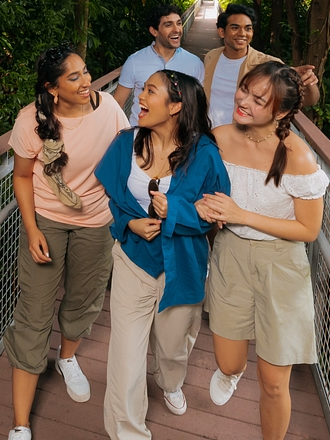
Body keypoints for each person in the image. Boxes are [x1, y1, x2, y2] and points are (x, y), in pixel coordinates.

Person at [196, 62, 330, 440]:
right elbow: (198, 185)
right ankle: (231, 373)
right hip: (230, 256)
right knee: (228, 359)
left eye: (259, 99)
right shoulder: (219, 137)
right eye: (244, 91)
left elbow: (308, 229)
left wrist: (241, 214)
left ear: (282, 111)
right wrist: (204, 207)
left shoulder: (297, 156)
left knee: (273, 382)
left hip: (281, 265)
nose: (245, 102)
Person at [4, 44, 130, 440]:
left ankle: (67, 358)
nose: (86, 81)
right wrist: (32, 229)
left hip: (96, 220)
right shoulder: (31, 120)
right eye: (73, 77)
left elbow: (128, 159)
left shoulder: (109, 109)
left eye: (86, 72)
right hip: (47, 220)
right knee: (35, 310)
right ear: (52, 88)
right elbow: (22, 176)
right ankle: (20, 424)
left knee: (84, 296)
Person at [95, 70, 229, 439]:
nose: (140, 95)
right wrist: (129, 223)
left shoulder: (205, 154)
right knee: (126, 357)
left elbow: (216, 213)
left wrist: (176, 212)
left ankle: (170, 382)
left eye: (150, 90)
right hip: (133, 259)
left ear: (175, 106)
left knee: (171, 349)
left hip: (183, 265)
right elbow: (115, 198)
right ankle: (128, 431)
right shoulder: (126, 143)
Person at [201, 4, 321, 128]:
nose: (242, 33)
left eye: (248, 28)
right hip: (208, 133)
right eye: (235, 27)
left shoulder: (267, 64)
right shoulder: (211, 56)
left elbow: (309, 101)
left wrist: (308, 82)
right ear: (221, 32)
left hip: (242, 137)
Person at [113, 4, 205, 126]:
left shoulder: (194, 63)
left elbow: (198, 105)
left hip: (179, 139)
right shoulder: (134, 61)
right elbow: (118, 103)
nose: (177, 29)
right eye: (168, 25)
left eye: (178, 23)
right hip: (141, 136)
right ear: (154, 31)